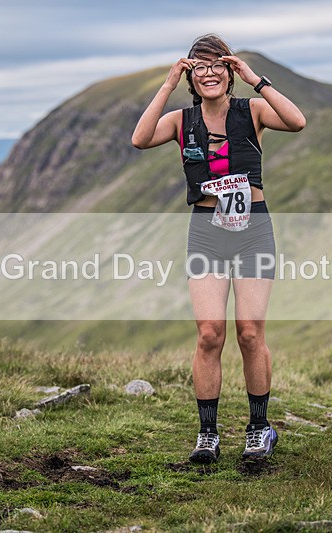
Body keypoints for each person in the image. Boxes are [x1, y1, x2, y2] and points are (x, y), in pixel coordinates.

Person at [131, 34, 305, 463]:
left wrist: (254, 78)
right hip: (206, 231)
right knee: (210, 335)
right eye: (200, 66)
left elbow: (297, 121)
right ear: (192, 75)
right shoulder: (180, 119)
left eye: (217, 66)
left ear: (228, 73)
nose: (209, 73)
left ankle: (260, 428)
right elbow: (139, 138)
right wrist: (167, 84)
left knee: (249, 333)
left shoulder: (254, 110)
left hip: (253, 231)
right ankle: (207, 434)